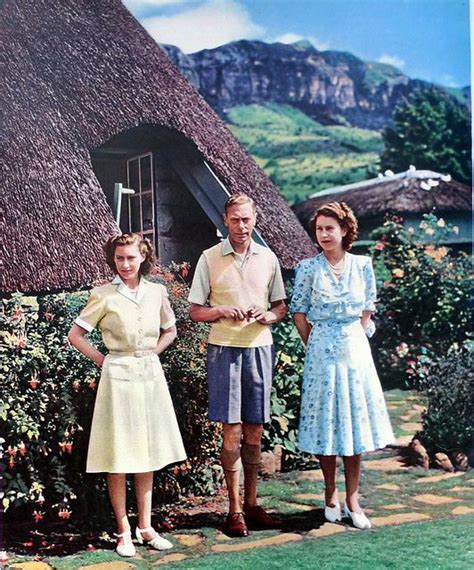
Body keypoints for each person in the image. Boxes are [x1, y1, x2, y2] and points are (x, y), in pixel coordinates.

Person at [68, 233, 186, 557]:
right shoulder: (103, 295)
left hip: (149, 376)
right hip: (117, 378)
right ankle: (123, 531)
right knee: (118, 455)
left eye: (131, 258)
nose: (125, 264)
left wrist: (155, 351)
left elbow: (171, 329)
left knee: (146, 452)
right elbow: (75, 335)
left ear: (142, 258)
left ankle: (146, 527)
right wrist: (103, 359)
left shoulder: (157, 292)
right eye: (120, 258)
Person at [188, 193, 287, 537]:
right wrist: (221, 311)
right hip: (224, 350)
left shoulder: (268, 258)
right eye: (235, 220)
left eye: (246, 219)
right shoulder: (210, 258)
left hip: (259, 348)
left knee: (254, 429)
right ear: (225, 221)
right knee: (230, 431)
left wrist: (268, 315)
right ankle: (233, 509)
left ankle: (253, 503)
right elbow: (195, 310)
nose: (241, 226)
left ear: (254, 220)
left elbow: (280, 307)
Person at [290, 201, 394, 530]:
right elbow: (299, 311)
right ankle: (330, 493)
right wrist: (315, 342)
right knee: (326, 424)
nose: (323, 234)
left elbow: (367, 307)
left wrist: (354, 335)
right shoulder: (308, 268)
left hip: (354, 351)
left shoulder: (362, 265)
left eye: (329, 228)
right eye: (319, 229)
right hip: (321, 351)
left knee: (354, 424)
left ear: (345, 229)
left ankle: (353, 498)